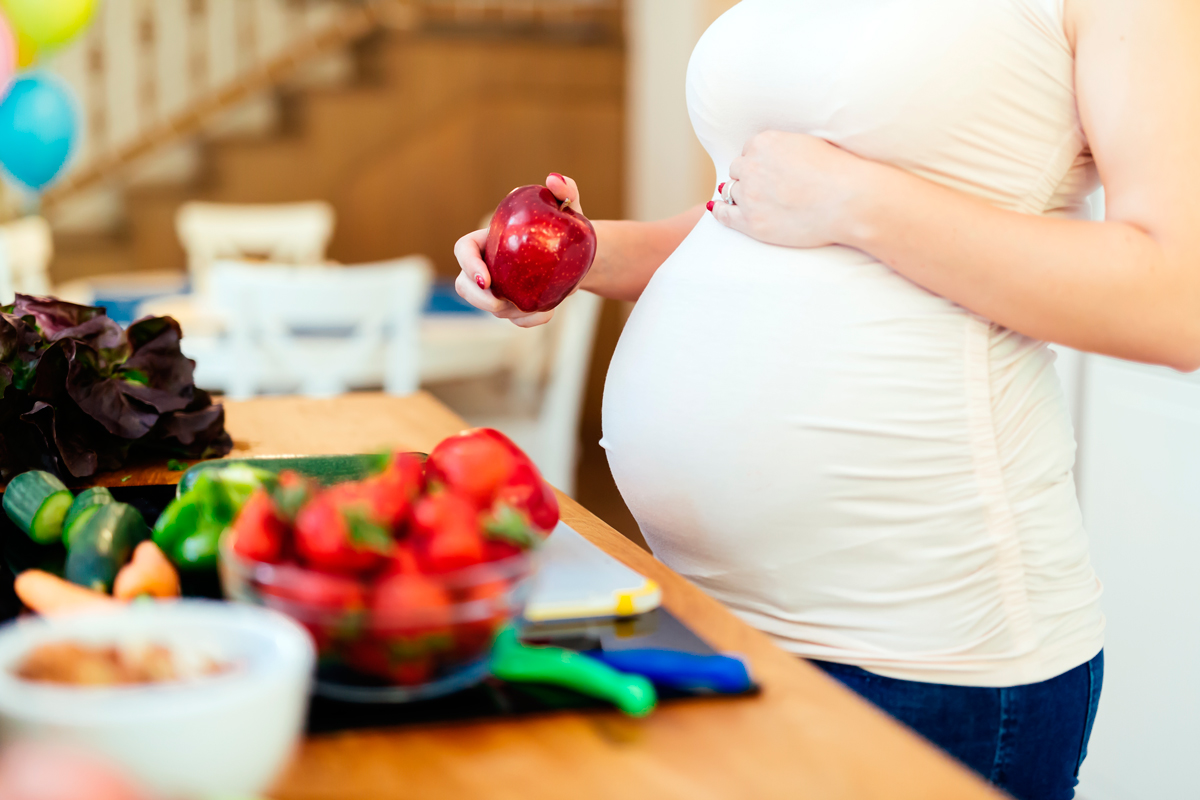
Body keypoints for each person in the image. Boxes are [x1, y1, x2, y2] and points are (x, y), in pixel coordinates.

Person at [455, 1, 1200, 797]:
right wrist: (588, 252)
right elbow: (750, 213)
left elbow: (1174, 300)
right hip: (699, 611)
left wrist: (856, 200)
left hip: (920, 661)